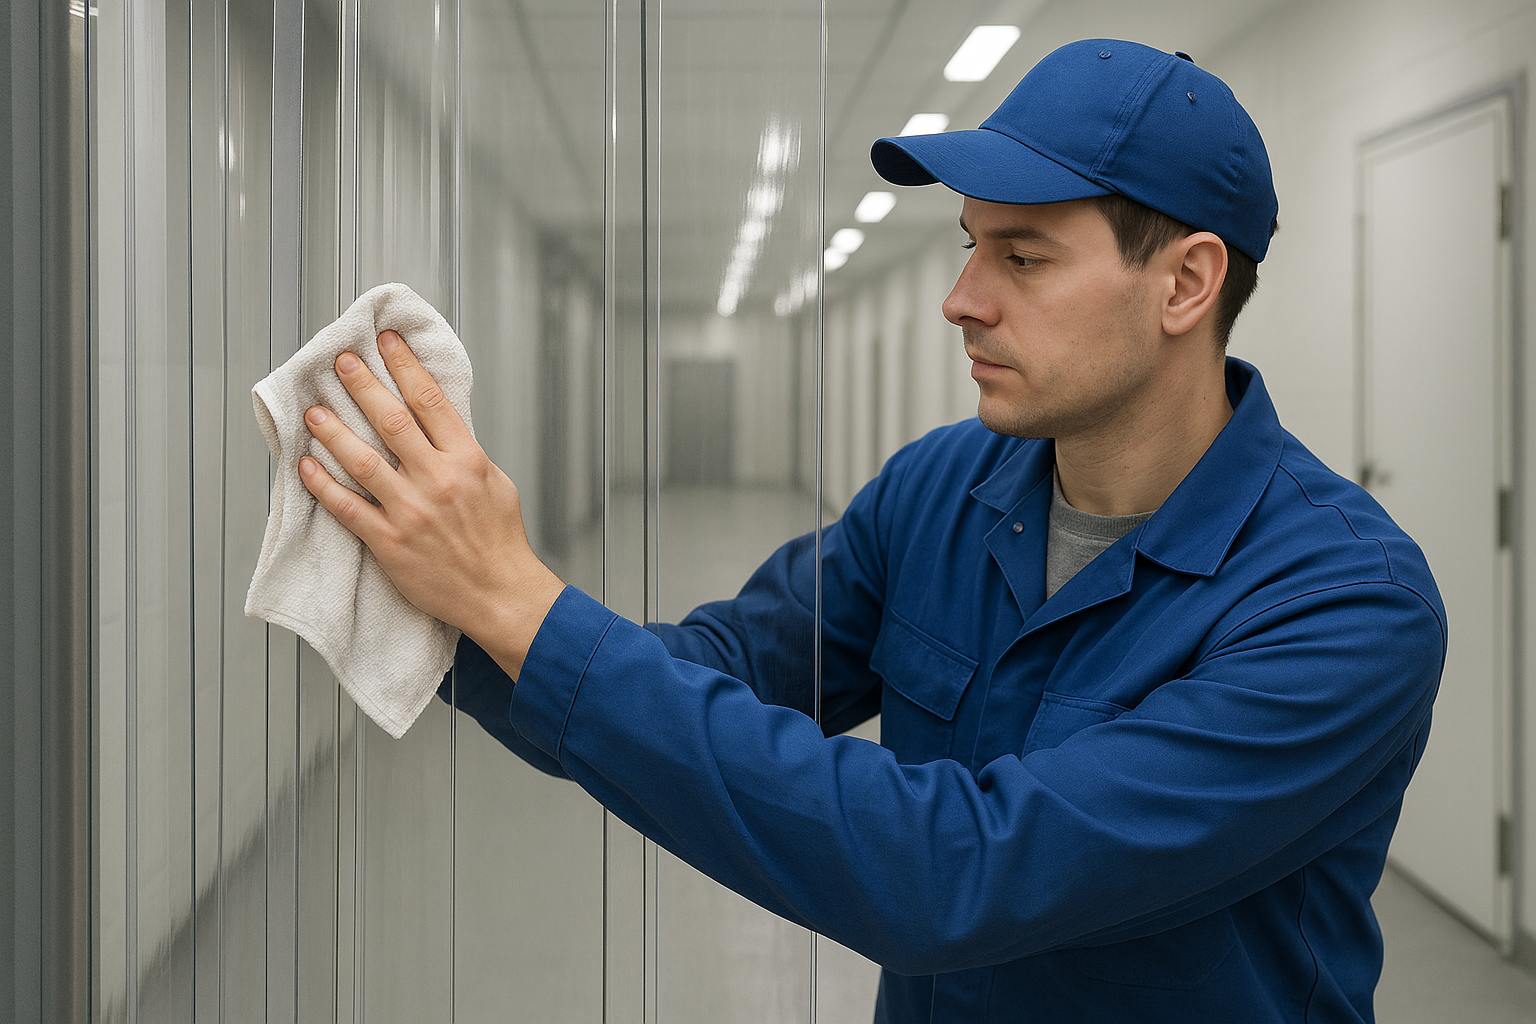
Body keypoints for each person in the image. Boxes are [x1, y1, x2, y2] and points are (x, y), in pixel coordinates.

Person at [297, 38, 1445, 1024]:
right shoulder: (944, 488)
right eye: (969, 245)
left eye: (1023, 257)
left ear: (1186, 284)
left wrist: (518, 605)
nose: (964, 298)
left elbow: (965, 875)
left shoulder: (1341, 605)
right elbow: (719, 670)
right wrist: (436, 587)